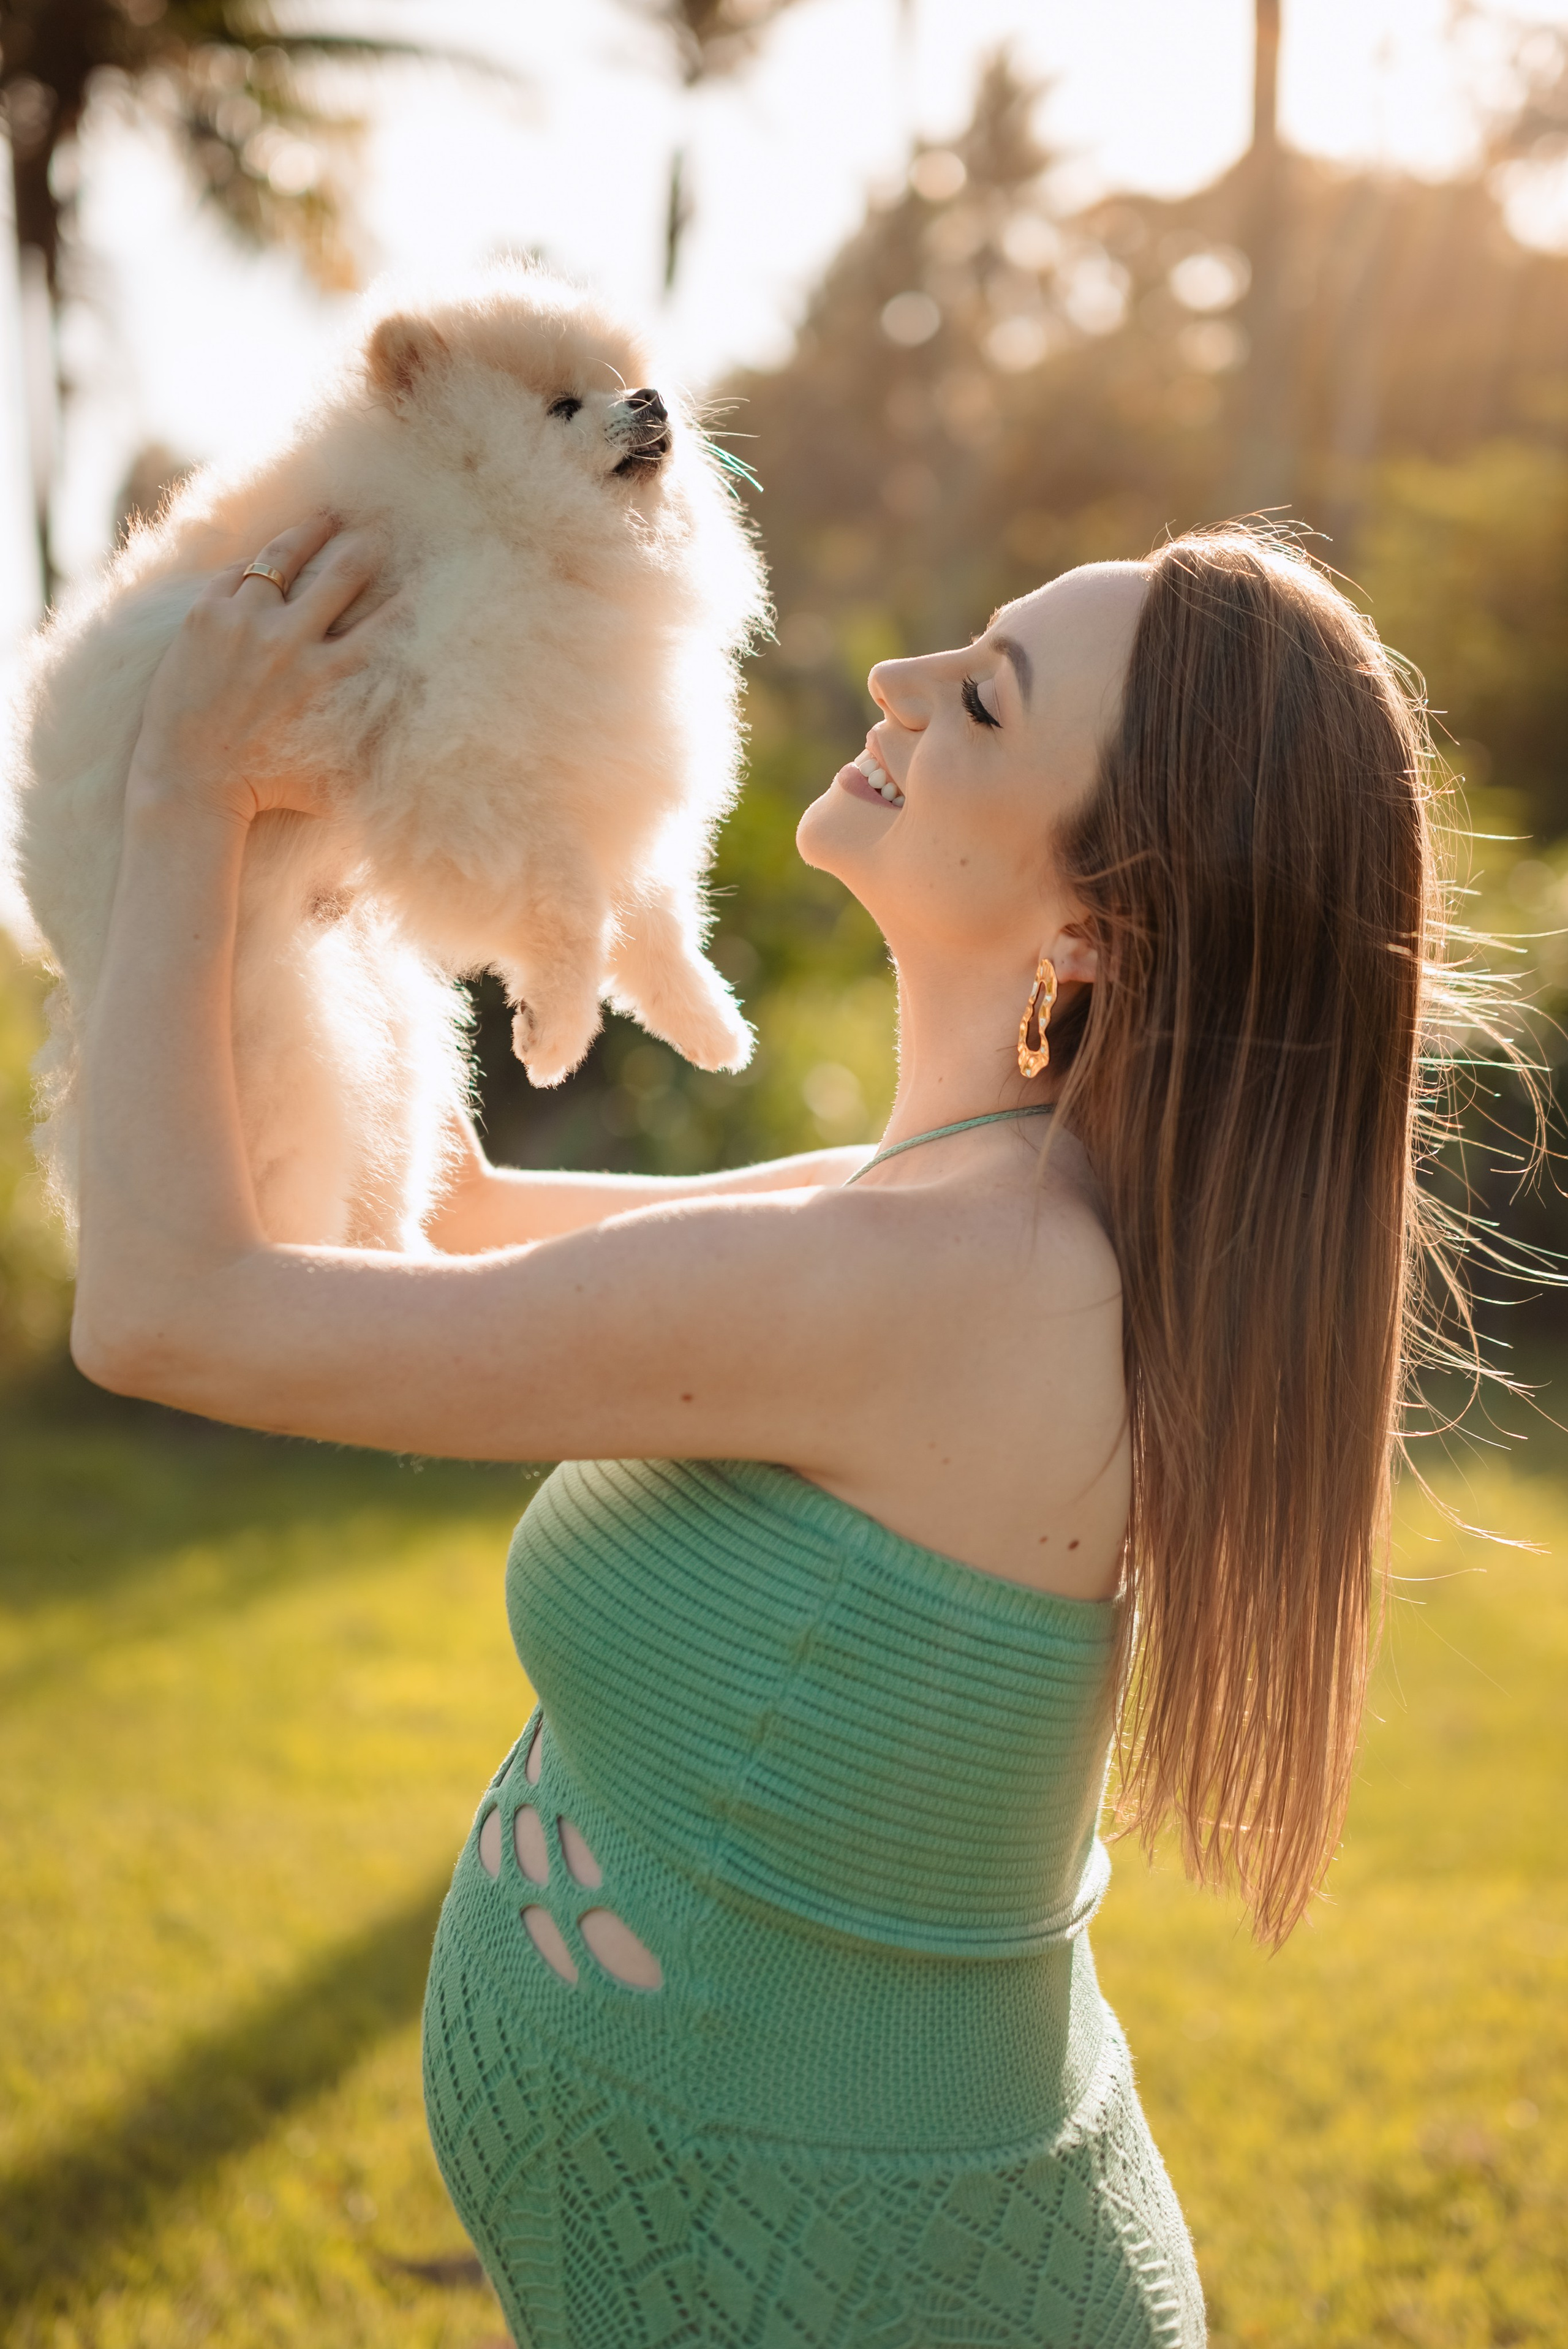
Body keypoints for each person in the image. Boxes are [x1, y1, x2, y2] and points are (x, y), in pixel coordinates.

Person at [70, 517, 1449, 2349]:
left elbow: (175, 1307)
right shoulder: (964, 1205)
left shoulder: (939, 1280)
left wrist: (183, 792)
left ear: (1091, 923)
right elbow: (451, 1211)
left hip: (863, 2286)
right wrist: (333, 806)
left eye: (981, 697)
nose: (895, 682)